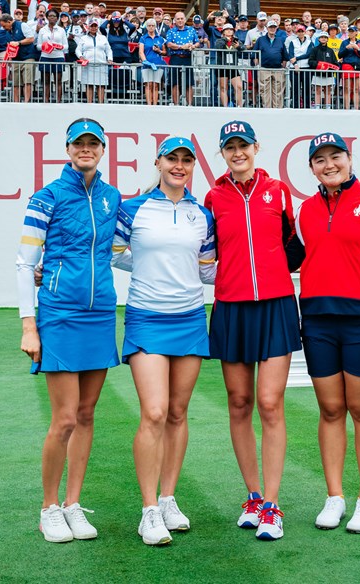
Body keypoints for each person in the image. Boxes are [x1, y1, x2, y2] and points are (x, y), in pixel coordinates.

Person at [286, 132, 360, 534]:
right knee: (331, 410)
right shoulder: (305, 210)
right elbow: (286, 257)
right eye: (320, 159)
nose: (329, 164)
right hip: (316, 322)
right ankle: (335, 497)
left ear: (350, 160)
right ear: (312, 168)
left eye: (336, 156)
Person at [17, 118, 122, 544]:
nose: (86, 149)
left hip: (100, 315)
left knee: (86, 414)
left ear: (102, 148)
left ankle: (74, 504)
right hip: (59, 315)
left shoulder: (112, 197)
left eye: (93, 143)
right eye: (79, 144)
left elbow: (118, 253)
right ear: (68, 148)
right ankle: (49, 508)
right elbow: (26, 263)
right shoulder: (47, 197)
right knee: (63, 419)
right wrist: (29, 325)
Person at [112, 137, 216, 546]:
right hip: (147, 317)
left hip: (190, 318)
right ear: (158, 162)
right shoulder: (132, 208)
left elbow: (207, 269)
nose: (178, 165)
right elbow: (116, 253)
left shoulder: (201, 214)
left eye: (186, 160)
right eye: (171, 158)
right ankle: (149, 509)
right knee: (153, 412)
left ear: (193, 166)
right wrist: (154, 265)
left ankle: (170, 498)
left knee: (177, 412)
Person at [203, 121, 300, 541]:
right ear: (222, 153)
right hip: (231, 306)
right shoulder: (213, 196)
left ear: (257, 148)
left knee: (269, 402)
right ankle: (254, 497)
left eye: (244, 145)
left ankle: (273, 506)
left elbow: (295, 246)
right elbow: (205, 251)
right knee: (239, 402)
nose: (238, 152)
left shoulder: (278, 191)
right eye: (230, 147)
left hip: (276, 305)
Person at [164, 12, 198, 106]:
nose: (180, 20)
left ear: (185, 19)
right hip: (175, 58)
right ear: (175, 20)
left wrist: (193, 46)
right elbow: (169, 44)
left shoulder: (191, 30)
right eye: (178, 19)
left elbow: (198, 42)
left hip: (187, 58)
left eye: (182, 18)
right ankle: (176, 105)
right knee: (175, 82)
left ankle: (190, 105)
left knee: (189, 83)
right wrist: (181, 47)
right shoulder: (171, 31)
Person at [76, 16, 112, 103]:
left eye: (95, 26)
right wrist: (80, 56)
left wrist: (110, 58)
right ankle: (89, 104)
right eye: (92, 26)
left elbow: (108, 49)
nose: (93, 28)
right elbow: (78, 49)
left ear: (97, 27)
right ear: (88, 27)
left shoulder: (103, 38)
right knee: (89, 85)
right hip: (88, 65)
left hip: (101, 64)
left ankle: (100, 104)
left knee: (101, 85)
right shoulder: (83, 38)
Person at [254, 20, 286, 108]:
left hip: (278, 69)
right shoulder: (260, 40)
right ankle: (267, 109)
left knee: (278, 91)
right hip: (264, 69)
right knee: (264, 90)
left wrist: (282, 67)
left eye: (274, 27)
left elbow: (284, 55)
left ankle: (277, 109)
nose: (272, 29)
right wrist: (258, 66)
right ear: (267, 28)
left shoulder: (280, 40)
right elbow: (255, 54)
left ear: (276, 28)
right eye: (270, 27)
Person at [36, 8, 66, 102]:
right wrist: (46, 46)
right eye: (50, 16)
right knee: (46, 81)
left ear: (57, 18)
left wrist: (57, 47)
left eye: (54, 16)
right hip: (45, 57)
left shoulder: (61, 30)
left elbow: (66, 46)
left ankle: (58, 101)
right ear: (47, 17)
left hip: (58, 57)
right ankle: (46, 101)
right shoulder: (42, 30)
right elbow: (38, 46)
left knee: (58, 81)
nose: (52, 18)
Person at [214, 23, 243, 107]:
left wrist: (238, 47)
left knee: (239, 86)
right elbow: (218, 47)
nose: (229, 31)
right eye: (227, 30)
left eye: (231, 30)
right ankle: (225, 107)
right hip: (222, 66)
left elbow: (243, 48)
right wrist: (226, 40)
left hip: (233, 66)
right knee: (223, 88)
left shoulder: (236, 40)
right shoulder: (220, 40)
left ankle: (240, 106)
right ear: (223, 32)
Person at [138, 17, 165, 105]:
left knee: (156, 85)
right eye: (149, 26)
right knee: (148, 84)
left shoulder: (160, 38)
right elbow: (141, 51)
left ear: (155, 27)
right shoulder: (143, 38)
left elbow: (165, 52)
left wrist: (159, 51)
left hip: (158, 64)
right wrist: (145, 61)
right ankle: (149, 104)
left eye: (153, 26)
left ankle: (155, 104)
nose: (151, 27)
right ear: (147, 27)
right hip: (147, 64)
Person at [309, 31, 339, 109]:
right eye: (322, 37)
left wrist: (329, 67)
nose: (323, 39)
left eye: (325, 37)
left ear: (327, 39)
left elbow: (335, 63)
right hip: (318, 74)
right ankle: (317, 107)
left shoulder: (330, 51)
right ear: (319, 39)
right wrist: (319, 65)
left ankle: (328, 107)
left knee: (328, 91)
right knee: (318, 90)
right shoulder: (314, 50)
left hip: (328, 74)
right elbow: (310, 61)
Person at [339, 25, 360, 109]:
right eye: (349, 31)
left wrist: (357, 48)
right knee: (347, 88)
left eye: (352, 31)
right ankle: (346, 107)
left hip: (357, 65)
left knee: (357, 88)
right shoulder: (344, 42)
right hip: (347, 65)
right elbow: (340, 55)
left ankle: (356, 107)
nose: (350, 33)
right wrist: (346, 48)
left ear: (356, 32)